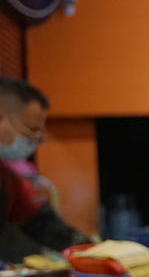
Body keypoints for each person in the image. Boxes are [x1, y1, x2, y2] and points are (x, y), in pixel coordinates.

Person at [0, 77, 91, 262]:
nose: (36, 140)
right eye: (31, 130)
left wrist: (90, 250)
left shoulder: (7, 177)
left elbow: (43, 223)